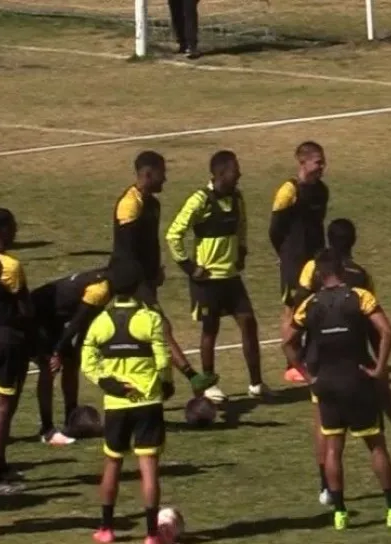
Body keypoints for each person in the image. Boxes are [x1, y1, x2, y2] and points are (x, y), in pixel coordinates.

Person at [287, 218, 391, 506]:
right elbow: (377, 324)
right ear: (353, 242)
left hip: (320, 357)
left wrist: (299, 363)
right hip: (357, 354)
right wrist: (380, 364)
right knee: (380, 411)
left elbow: (296, 307)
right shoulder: (362, 275)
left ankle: (326, 487)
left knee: (325, 429)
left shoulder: (313, 268)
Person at [282, 249, 391, 530]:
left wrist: (306, 375)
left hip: (326, 383)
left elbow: (287, 342)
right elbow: (387, 331)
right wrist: (380, 368)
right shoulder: (360, 297)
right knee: (376, 445)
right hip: (357, 380)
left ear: (319, 275)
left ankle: (339, 513)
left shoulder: (310, 304)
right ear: (342, 270)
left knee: (334, 449)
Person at [81, 261, 175, 544]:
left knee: (112, 463)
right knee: (149, 467)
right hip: (148, 401)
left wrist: (107, 383)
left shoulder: (100, 322)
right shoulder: (151, 319)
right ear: (137, 288)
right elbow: (163, 358)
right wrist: (165, 383)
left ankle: (106, 529)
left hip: (116, 405)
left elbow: (88, 361)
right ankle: (152, 536)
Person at [166, 150, 269, 402]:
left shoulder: (237, 198)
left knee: (249, 323)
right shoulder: (200, 200)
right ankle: (209, 384)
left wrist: (241, 251)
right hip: (207, 280)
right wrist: (189, 267)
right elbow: (173, 234)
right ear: (221, 173)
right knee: (210, 330)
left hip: (231, 276)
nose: (240, 174)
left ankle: (256, 383)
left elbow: (242, 225)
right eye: (235, 169)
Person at [113, 151, 217, 395]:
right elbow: (127, 251)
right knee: (160, 326)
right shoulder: (130, 204)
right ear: (148, 174)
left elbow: (149, 243)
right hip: (130, 280)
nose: (166, 179)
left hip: (145, 278)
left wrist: (155, 271)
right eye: (162, 173)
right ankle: (191, 377)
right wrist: (142, 283)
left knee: (148, 333)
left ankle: (163, 384)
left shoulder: (152, 204)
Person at [31, 265, 114, 446]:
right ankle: (46, 428)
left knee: (71, 362)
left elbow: (87, 320)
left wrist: (77, 349)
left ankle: (71, 417)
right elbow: (77, 323)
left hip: (53, 319)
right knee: (48, 368)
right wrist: (57, 352)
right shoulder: (100, 289)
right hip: (37, 317)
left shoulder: (106, 285)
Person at [0, 209, 31, 494]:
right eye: (13, 227)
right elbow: (26, 309)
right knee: (3, 407)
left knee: (2, 403)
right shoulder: (10, 266)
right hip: (9, 342)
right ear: (2, 230)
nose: (16, 232)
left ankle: (0, 465)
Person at [270, 141, 329, 383]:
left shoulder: (322, 190)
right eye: (318, 162)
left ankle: (312, 358)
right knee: (292, 310)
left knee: (318, 307)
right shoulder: (288, 192)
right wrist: (284, 255)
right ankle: (292, 364)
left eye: (323, 162)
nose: (322, 167)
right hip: (293, 262)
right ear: (302, 162)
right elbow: (275, 230)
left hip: (316, 261)